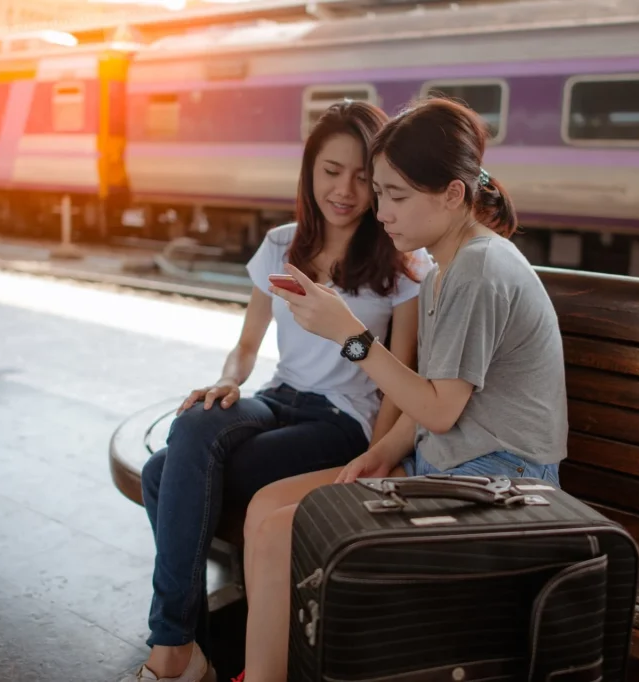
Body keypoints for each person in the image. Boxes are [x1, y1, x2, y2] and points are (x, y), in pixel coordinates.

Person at [237, 97, 569, 682]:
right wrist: (384, 450)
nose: (379, 208)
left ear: (452, 195)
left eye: (395, 194)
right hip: (441, 465)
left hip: (505, 485)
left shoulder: (480, 270)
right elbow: (433, 401)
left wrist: (352, 335)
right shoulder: (444, 266)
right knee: (266, 512)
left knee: (288, 528)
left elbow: (441, 410)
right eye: (380, 191)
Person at [131, 100, 431, 682]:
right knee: (193, 423)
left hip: (341, 421)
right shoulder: (280, 246)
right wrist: (228, 380)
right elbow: (246, 347)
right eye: (330, 171)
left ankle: (177, 651)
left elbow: (402, 370)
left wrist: (377, 450)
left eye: (363, 177)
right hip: (279, 395)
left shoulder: (400, 264)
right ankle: (180, 647)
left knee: (161, 475)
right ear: (309, 171)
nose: (345, 189)